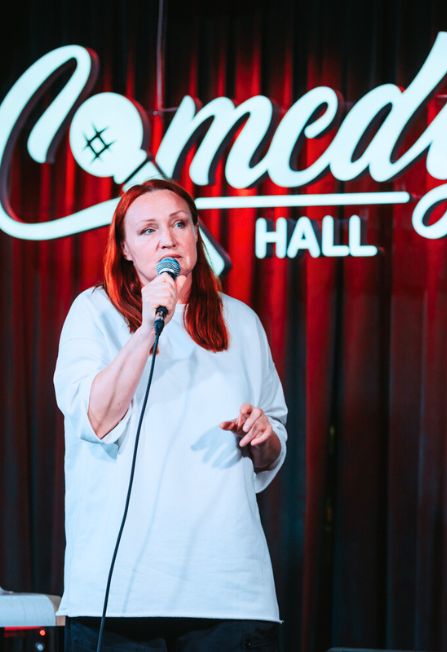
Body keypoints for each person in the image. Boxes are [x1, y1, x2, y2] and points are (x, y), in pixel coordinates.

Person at [54, 178, 288, 651]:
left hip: (229, 591)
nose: (167, 239)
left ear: (196, 236)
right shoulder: (94, 311)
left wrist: (263, 434)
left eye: (179, 224)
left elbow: (271, 449)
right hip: (119, 593)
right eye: (148, 230)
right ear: (125, 248)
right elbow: (94, 420)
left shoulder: (241, 321)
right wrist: (147, 329)